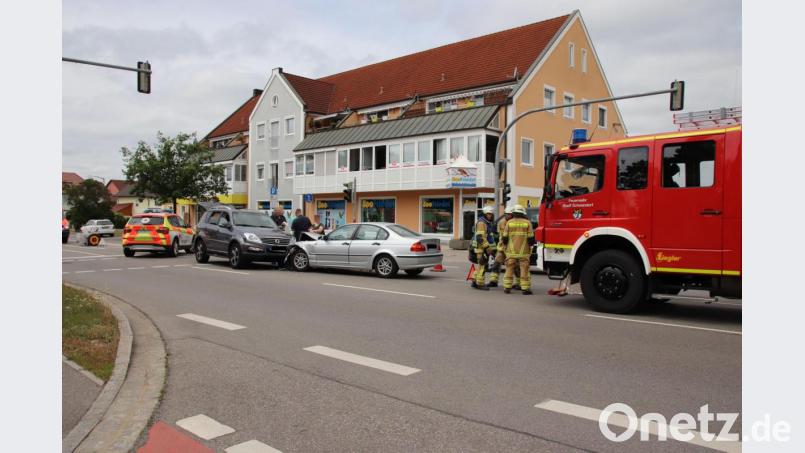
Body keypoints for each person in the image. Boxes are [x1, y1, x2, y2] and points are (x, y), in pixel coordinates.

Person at [501, 204, 534, 295]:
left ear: (514, 213)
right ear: (522, 213)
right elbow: (531, 239)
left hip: (511, 251)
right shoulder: (527, 223)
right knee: (524, 269)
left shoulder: (509, 222)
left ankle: (507, 287)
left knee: (509, 269)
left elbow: (504, 238)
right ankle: (525, 289)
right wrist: (530, 246)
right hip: (524, 251)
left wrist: (505, 247)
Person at [470, 205, 497, 290]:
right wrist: (487, 247)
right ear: (485, 214)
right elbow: (480, 237)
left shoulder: (486, 222)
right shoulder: (482, 223)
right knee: (483, 266)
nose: (490, 215)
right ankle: (480, 284)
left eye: (491, 214)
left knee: (480, 266)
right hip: (481, 249)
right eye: (489, 214)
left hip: (483, 248)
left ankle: (475, 281)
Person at [494, 206, 519, 289]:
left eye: (509, 214)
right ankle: (493, 281)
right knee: (497, 262)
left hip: (512, 247)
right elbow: (500, 234)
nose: (507, 216)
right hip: (502, 247)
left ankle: (518, 283)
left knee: (515, 265)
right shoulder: (501, 222)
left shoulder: (514, 222)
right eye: (506, 214)